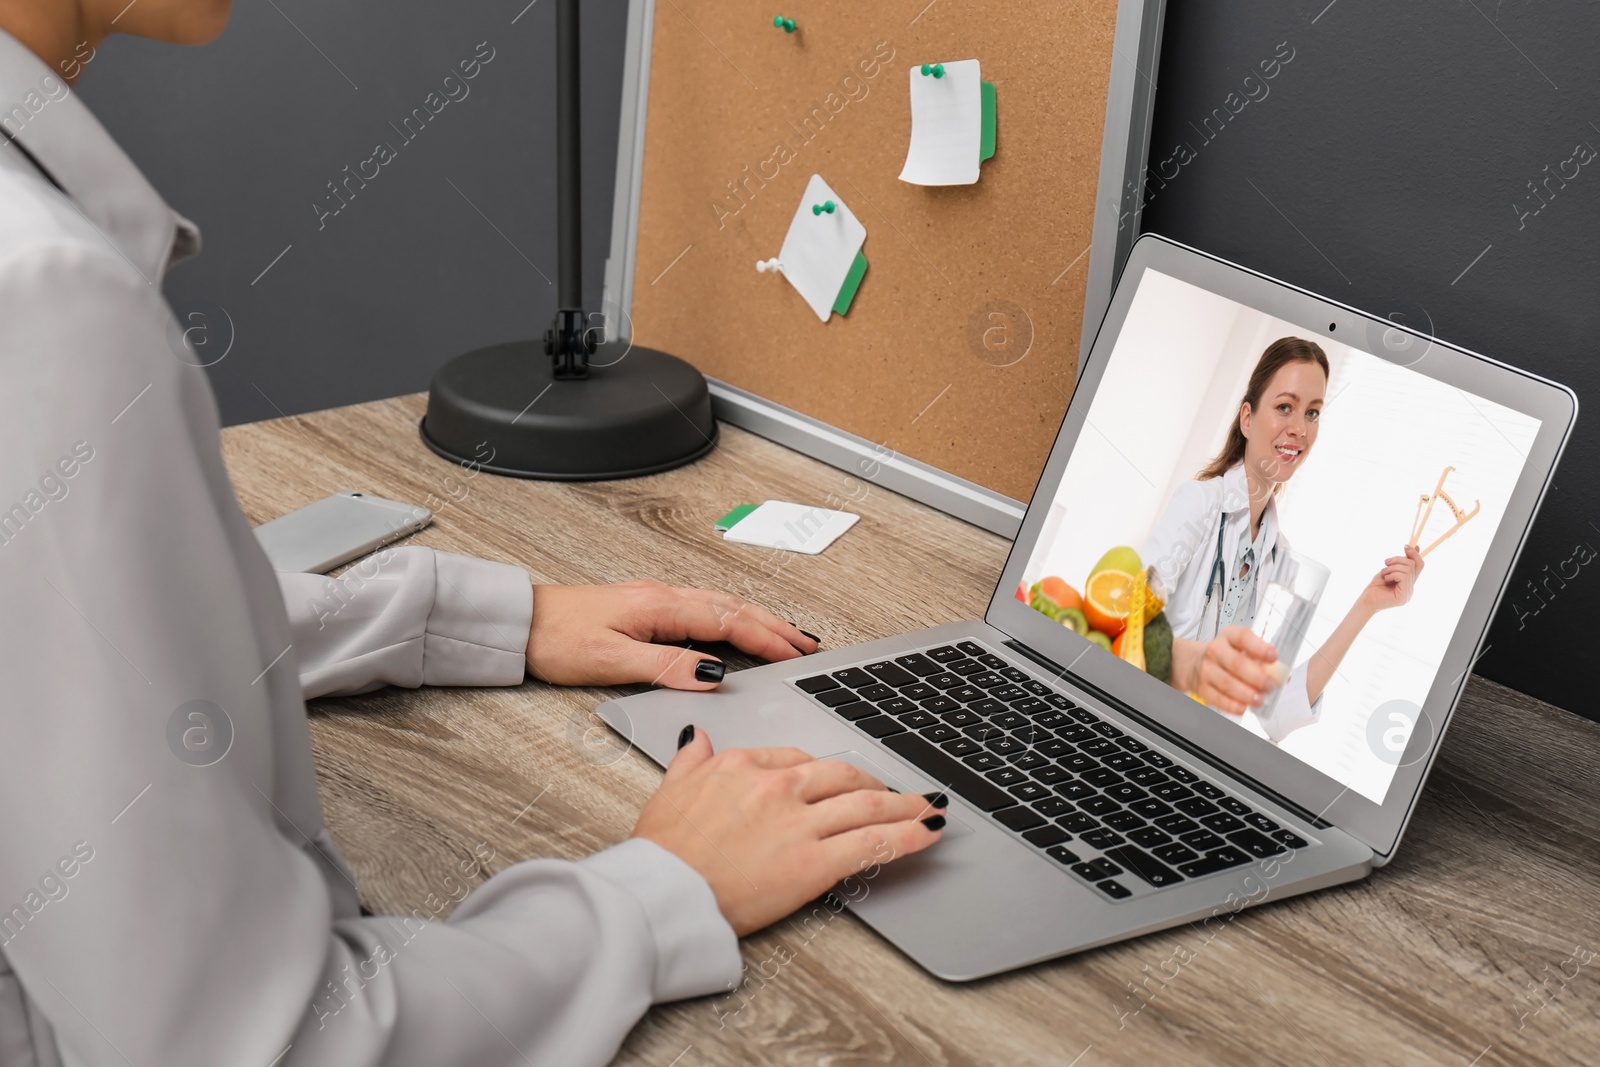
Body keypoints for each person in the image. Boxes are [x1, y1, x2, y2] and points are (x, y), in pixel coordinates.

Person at [0, 4, 943, 1065]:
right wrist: (654, 896)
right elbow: (244, 1043)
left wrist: (475, 614)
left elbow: (60, 646)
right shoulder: (43, 301)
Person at [1142, 336, 1424, 742]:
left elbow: (1274, 709)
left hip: (1204, 753)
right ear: (1247, 418)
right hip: (1144, 730)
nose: (1299, 429)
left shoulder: (1279, 557)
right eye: (1285, 407)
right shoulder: (1200, 504)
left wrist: (1368, 605)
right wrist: (1204, 661)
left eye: (1312, 413)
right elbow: (1128, 625)